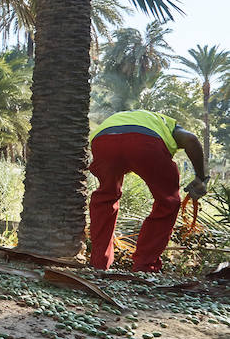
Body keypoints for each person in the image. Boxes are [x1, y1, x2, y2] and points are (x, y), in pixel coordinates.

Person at [89, 110, 207, 272]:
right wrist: (201, 178)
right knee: (167, 202)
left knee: (105, 198)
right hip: (145, 143)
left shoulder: (128, 118)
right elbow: (191, 139)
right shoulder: (170, 126)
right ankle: (145, 265)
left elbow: (123, 147)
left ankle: (98, 264)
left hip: (103, 141)